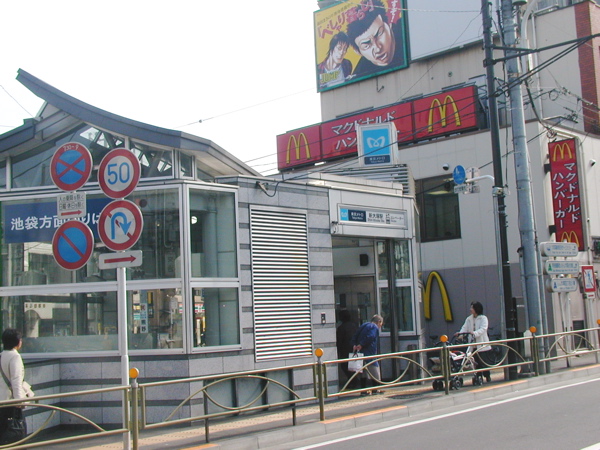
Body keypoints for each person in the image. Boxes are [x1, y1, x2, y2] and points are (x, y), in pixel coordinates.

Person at [346, 0, 406, 79]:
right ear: (358, 52)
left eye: (379, 34)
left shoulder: (408, 29)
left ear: (389, 24)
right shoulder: (360, 74)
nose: (378, 48)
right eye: (366, 45)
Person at [0, 329, 32, 441]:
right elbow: (16, 380)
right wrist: (20, 401)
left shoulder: (1, 355)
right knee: (16, 432)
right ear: (17, 342)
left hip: (1, 401)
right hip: (11, 402)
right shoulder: (15, 357)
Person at [456, 302, 493, 382]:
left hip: (482, 344)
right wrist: (460, 334)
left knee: (483, 362)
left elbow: (483, 329)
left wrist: (475, 333)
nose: (470, 309)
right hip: (473, 345)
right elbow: (464, 328)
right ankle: (478, 377)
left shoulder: (483, 318)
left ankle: (487, 376)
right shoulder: (469, 319)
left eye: (472, 308)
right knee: (475, 362)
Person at [351, 314, 384, 395]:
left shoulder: (364, 325)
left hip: (360, 353)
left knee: (363, 372)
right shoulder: (374, 327)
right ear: (379, 322)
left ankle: (363, 390)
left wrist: (355, 344)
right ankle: (375, 389)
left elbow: (355, 335)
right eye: (381, 324)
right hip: (370, 352)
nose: (380, 326)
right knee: (375, 370)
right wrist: (362, 344)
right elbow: (370, 336)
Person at [336, 310, 358, 385]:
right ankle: (353, 382)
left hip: (344, 350)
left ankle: (352, 382)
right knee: (353, 367)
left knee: (345, 366)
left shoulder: (341, 328)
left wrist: (338, 351)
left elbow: (339, 340)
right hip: (354, 349)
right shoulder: (354, 326)